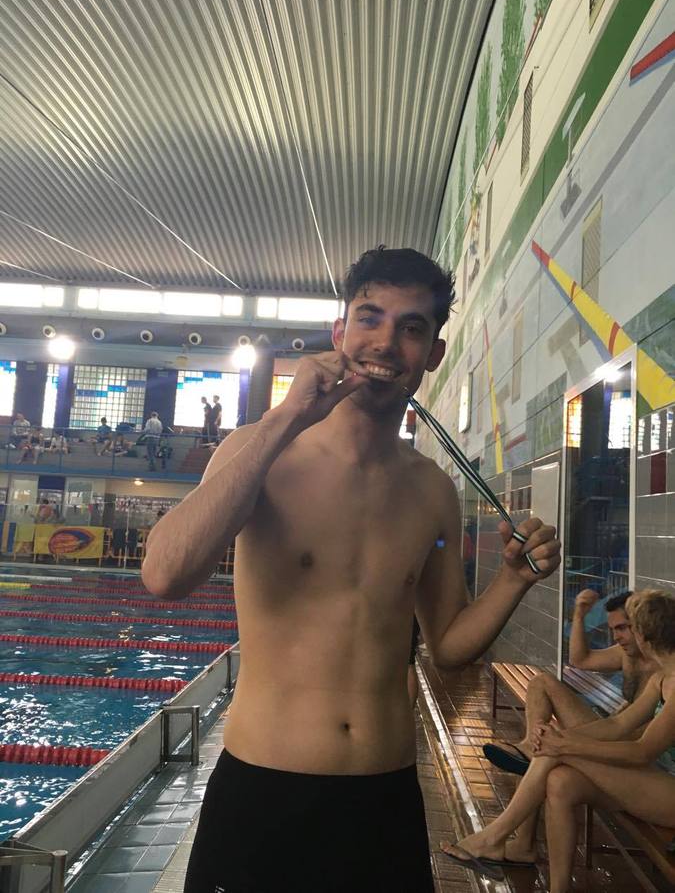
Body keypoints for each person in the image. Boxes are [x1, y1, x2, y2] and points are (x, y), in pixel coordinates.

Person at [142, 246, 560, 893]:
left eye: (411, 328)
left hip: (383, 798)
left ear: (433, 357)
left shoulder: (431, 492)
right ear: (338, 333)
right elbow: (165, 575)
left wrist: (512, 581)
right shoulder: (260, 451)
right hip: (263, 792)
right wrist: (284, 418)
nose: (385, 342)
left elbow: (447, 646)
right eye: (369, 317)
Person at [442, 589, 675, 892]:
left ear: (643, 634)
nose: (620, 634)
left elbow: (641, 751)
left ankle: (494, 837)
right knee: (560, 783)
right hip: (655, 780)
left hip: (667, 788)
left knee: (559, 754)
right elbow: (619, 724)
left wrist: (565, 745)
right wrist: (560, 739)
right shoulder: (662, 678)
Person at [483, 589, 658, 778]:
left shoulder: (662, 667)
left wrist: (567, 738)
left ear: (641, 625)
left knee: (554, 767)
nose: (616, 637)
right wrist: (579, 615)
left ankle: (534, 750)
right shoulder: (626, 654)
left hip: (628, 744)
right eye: (613, 629)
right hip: (613, 728)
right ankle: (529, 746)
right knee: (541, 682)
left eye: (622, 628)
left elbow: (638, 734)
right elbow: (581, 660)